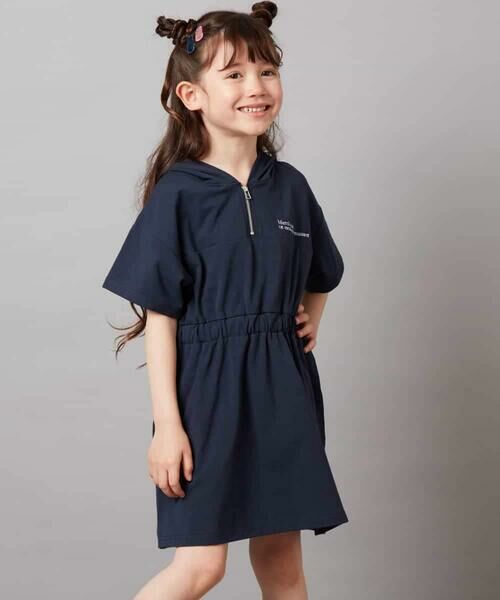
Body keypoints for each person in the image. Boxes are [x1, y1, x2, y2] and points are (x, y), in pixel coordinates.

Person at [102, 2, 349, 598]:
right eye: (234, 74)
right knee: (201, 567)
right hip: (205, 396)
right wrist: (168, 426)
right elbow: (161, 317)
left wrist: (306, 320)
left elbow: (324, 271)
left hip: (283, 389)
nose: (256, 87)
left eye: (267, 71)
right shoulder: (179, 195)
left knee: (282, 564)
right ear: (192, 95)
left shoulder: (289, 186)